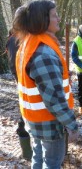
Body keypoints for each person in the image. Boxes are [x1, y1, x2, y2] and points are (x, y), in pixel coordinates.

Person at [13, 0, 78, 168]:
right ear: (42, 20)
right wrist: (71, 124)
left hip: (34, 120)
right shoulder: (44, 53)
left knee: (39, 159)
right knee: (51, 163)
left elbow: (38, 82)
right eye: (54, 15)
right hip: (49, 123)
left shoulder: (28, 45)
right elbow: (54, 99)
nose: (58, 19)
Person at [6, 28, 33, 160]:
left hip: (25, 80)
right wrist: (22, 79)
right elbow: (14, 64)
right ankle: (27, 150)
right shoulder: (14, 39)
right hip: (24, 81)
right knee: (26, 111)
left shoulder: (23, 36)